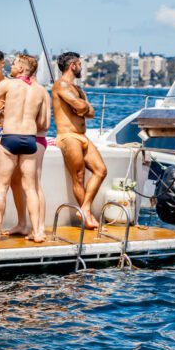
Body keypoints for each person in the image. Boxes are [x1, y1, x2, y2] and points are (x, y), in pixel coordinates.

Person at [0, 54, 49, 242]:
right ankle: (37, 231)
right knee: (31, 188)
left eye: (14, 64)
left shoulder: (9, 84)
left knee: (2, 186)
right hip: (30, 139)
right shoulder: (40, 91)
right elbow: (44, 123)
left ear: (21, 69)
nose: (11, 66)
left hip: (10, 138)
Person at [52, 51, 107, 229]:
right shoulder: (60, 85)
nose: (81, 67)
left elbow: (89, 112)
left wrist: (81, 106)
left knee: (101, 170)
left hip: (82, 136)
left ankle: (84, 208)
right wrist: (81, 106)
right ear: (73, 65)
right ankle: (88, 216)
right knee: (79, 176)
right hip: (68, 136)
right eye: (80, 64)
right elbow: (80, 106)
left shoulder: (78, 89)